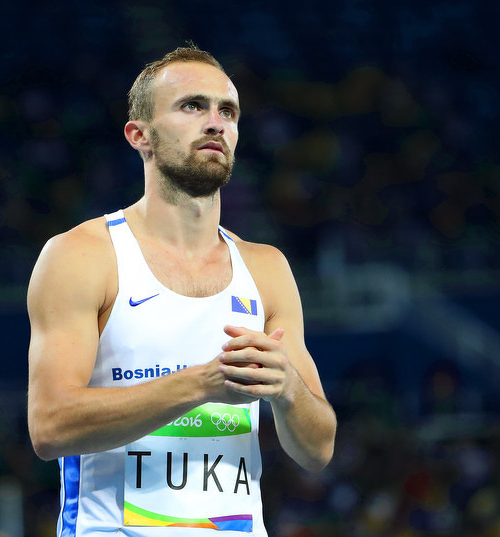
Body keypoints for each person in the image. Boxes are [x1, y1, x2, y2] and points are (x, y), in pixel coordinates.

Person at [27, 45, 336, 536]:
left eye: (228, 111)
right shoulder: (82, 255)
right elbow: (50, 426)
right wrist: (203, 384)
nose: (216, 123)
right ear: (139, 136)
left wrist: (287, 390)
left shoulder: (266, 267)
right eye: (193, 106)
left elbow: (318, 450)